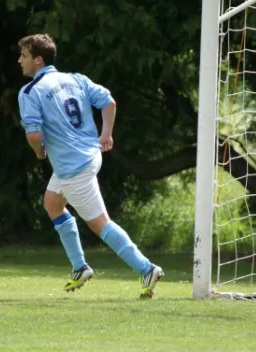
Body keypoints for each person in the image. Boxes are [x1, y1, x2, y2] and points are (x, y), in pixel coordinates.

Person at [16, 33, 164, 298]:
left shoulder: (30, 91)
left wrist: (39, 152)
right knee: (52, 203)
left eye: (24, 56)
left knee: (100, 225)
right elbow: (108, 101)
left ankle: (146, 268)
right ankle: (79, 266)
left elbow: (34, 136)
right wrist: (106, 135)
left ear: (38, 60)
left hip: (73, 168)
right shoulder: (75, 78)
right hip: (89, 155)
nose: (19, 61)